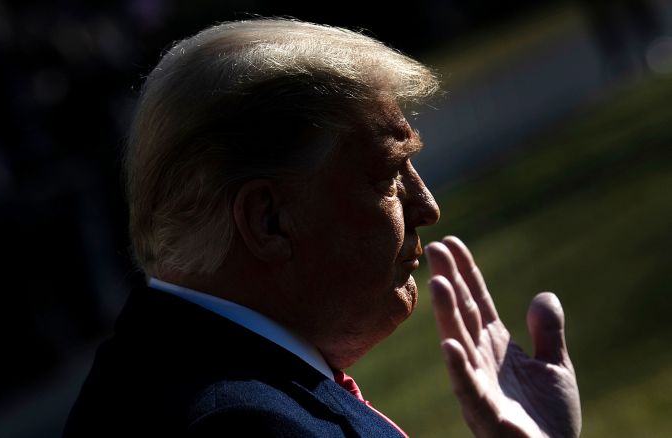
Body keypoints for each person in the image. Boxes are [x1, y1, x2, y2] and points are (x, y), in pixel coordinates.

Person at [64, 18, 581, 437]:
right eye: (388, 175)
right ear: (269, 220)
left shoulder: (150, 370)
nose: (427, 206)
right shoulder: (249, 426)